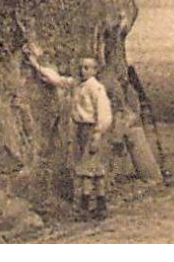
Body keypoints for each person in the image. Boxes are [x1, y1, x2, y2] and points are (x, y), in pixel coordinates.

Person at [24, 43, 114, 219]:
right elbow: (57, 80)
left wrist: (97, 133)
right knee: (91, 167)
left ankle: (88, 208)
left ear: (95, 70)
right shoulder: (77, 84)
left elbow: (104, 114)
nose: (83, 71)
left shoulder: (96, 88)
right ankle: (98, 206)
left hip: (92, 130)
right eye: (81, 67)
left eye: (87, 68)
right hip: (81, 130)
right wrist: (36, 65)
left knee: (89, 170)